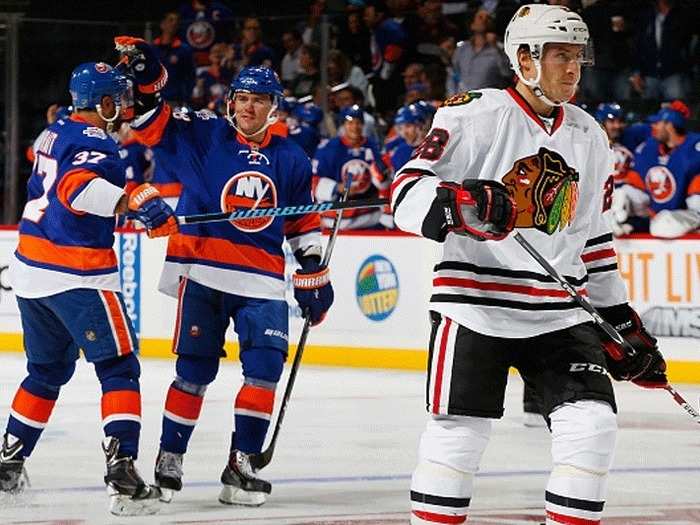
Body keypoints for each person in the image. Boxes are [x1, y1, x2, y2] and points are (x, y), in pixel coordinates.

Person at [390, 5, 667, 524]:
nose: (572, 69)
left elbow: (594, 237)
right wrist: (458, 202)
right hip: (474, 306)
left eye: (577, 59)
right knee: (458, 435)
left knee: (592, 427)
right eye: (560, 56)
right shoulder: (475, 113)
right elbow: (405, 192)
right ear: (525, 59)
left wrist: (620, 319)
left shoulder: (588, 134)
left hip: (560, 312)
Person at [114, 36, 334, 506]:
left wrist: (314, 269)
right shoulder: (204, 132)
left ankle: (242, 465)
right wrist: (148, 78)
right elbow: (149, 120)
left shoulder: (292, 157)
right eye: (242, 98)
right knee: (193, 372)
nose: (249, 107)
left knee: (264, 371)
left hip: (262, 280)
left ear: (274, 108)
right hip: (204, 271)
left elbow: (301, 220)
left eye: (259, 100)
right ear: (230, 101)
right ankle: (169, 458)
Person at [0, 62, 175, 515]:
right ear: (102, 102)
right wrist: (130, 198)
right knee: (119, 369)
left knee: (45, 373)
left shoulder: (54, 131)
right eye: (119, 97)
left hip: (32, 272)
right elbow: (76, 190)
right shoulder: (99, 142)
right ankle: (122, 474)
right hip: (78, 274)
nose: (126, 105)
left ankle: (7, 463)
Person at [612, 103, 700, 239]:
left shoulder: (695, 147)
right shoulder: (649, 148)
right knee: (619, 196)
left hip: (688, 212)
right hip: (658, 217)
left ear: (669, 125)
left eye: (656, 123)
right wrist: (622, 201)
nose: (652, 127)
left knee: (664, 225)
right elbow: (638, 186)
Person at [313, 104, 390, 230]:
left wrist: (381, 175)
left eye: (358, 123)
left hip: (368, 216)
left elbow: (384, 180)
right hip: (334, 217)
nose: (355, 127)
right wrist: (336, 188)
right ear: (343, 125)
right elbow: (313, 181)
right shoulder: (328, 148)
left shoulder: (373, 146)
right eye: (350, 123)